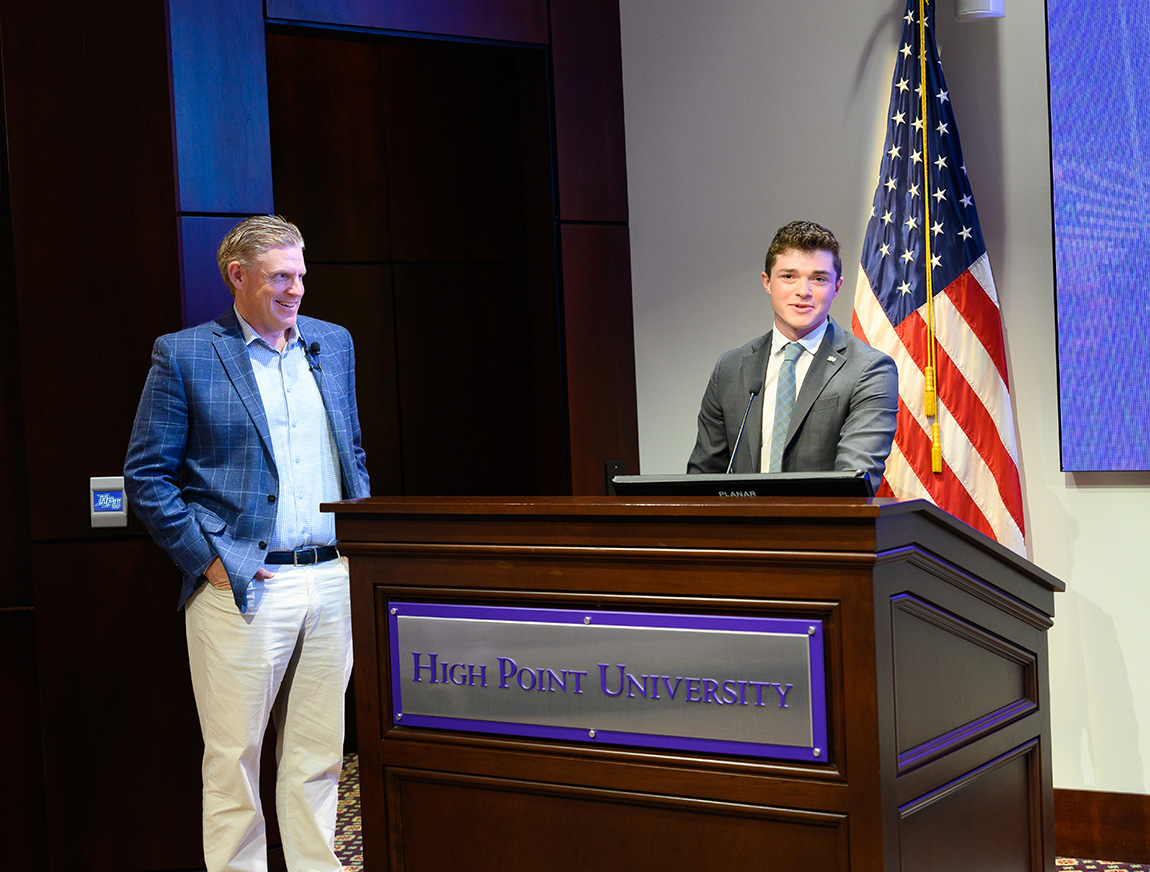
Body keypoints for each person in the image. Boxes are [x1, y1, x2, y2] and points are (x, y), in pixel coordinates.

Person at [124, 215, 371, 872]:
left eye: (301, 276)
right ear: (239, 276)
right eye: (280, 277)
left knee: (319, 756)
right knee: (235, 760)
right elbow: (146, 476)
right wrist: (208, 563)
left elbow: (350, 451)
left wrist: (362, 544)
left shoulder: (332, 343)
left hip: (331, 576)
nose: (296, 291)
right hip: (244, 583)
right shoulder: (186, 354)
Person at [687, 219, 897, 488]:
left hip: (822, 527)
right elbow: (701, 479)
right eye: (789, 276)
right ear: (767, 282)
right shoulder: (730, 368)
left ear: (837, 286)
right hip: (743, 528)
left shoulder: (869, 369)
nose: (803, 291)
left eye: (818, 279)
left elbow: (853, 482)